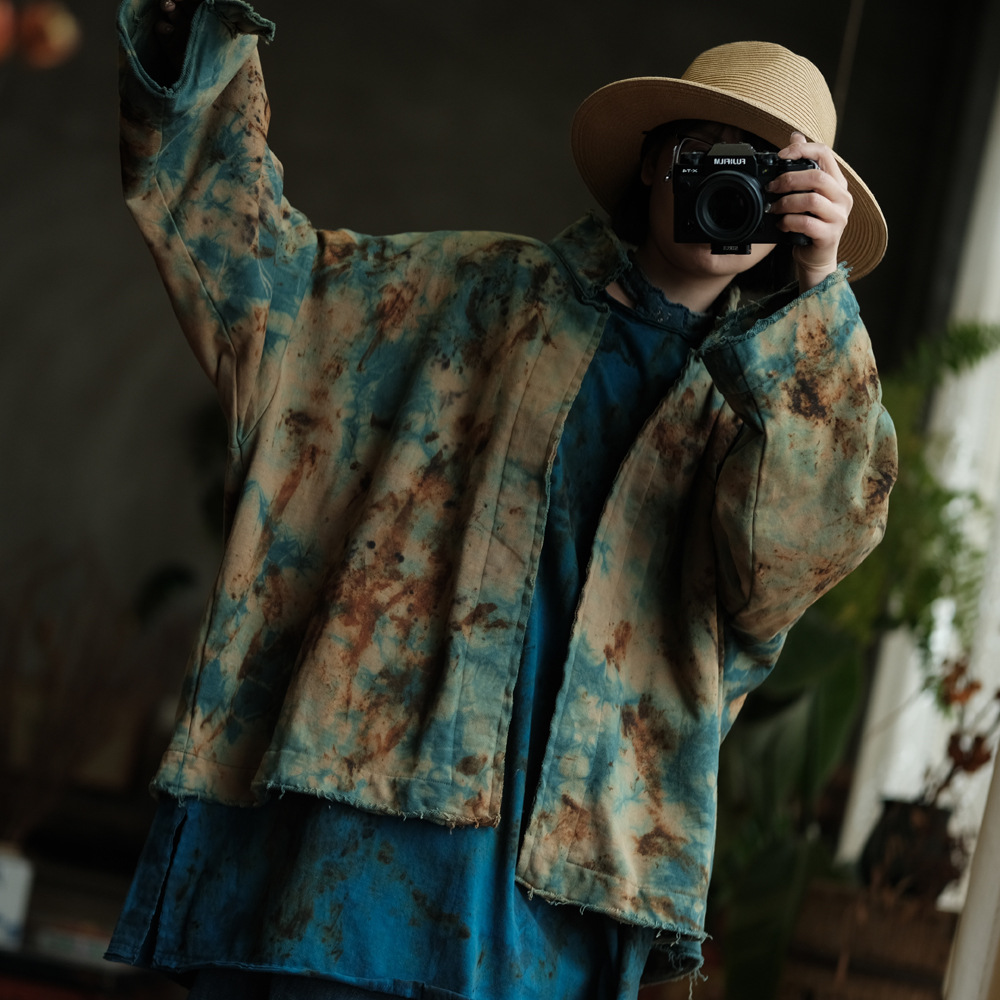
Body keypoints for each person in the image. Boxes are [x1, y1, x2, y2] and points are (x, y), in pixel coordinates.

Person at [108, 1, 897, 997]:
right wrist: (194, 37)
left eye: (770, 174)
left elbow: (792, 565)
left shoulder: (784, 411)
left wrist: (818, 301)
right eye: (706, 154)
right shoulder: (473, 293)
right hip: (359, 846)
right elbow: (262, 279)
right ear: (651, 164)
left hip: (564, 889)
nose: (729, 187)